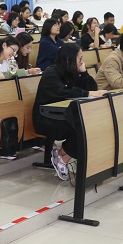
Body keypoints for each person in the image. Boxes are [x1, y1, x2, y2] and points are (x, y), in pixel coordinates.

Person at [33, 43, 108, 182]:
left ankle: (62, 155)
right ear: (69, 59)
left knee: (91, 124)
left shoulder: (71, 72)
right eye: (80, 59)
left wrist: (84, 73)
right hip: (45, 118)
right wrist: (89, 93)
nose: (82, 62)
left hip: (63, 115)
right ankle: (63, 158)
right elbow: (63, 93)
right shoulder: (51, 73)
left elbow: (92, 88)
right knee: (83, 128)